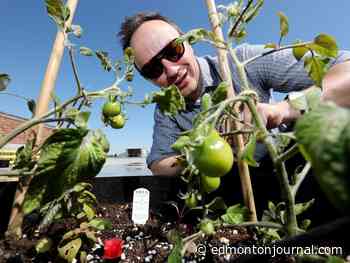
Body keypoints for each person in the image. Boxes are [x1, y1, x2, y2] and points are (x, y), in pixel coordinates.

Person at [119, 12, 350, 176]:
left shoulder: (242, 62)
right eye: (152, 69)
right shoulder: (167, 109)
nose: (170, 70)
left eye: (173, 50)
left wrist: (282, 110)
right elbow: (158, 163)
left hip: (293, 166)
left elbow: (346, 69)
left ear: (189, 42)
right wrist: (205, 150)